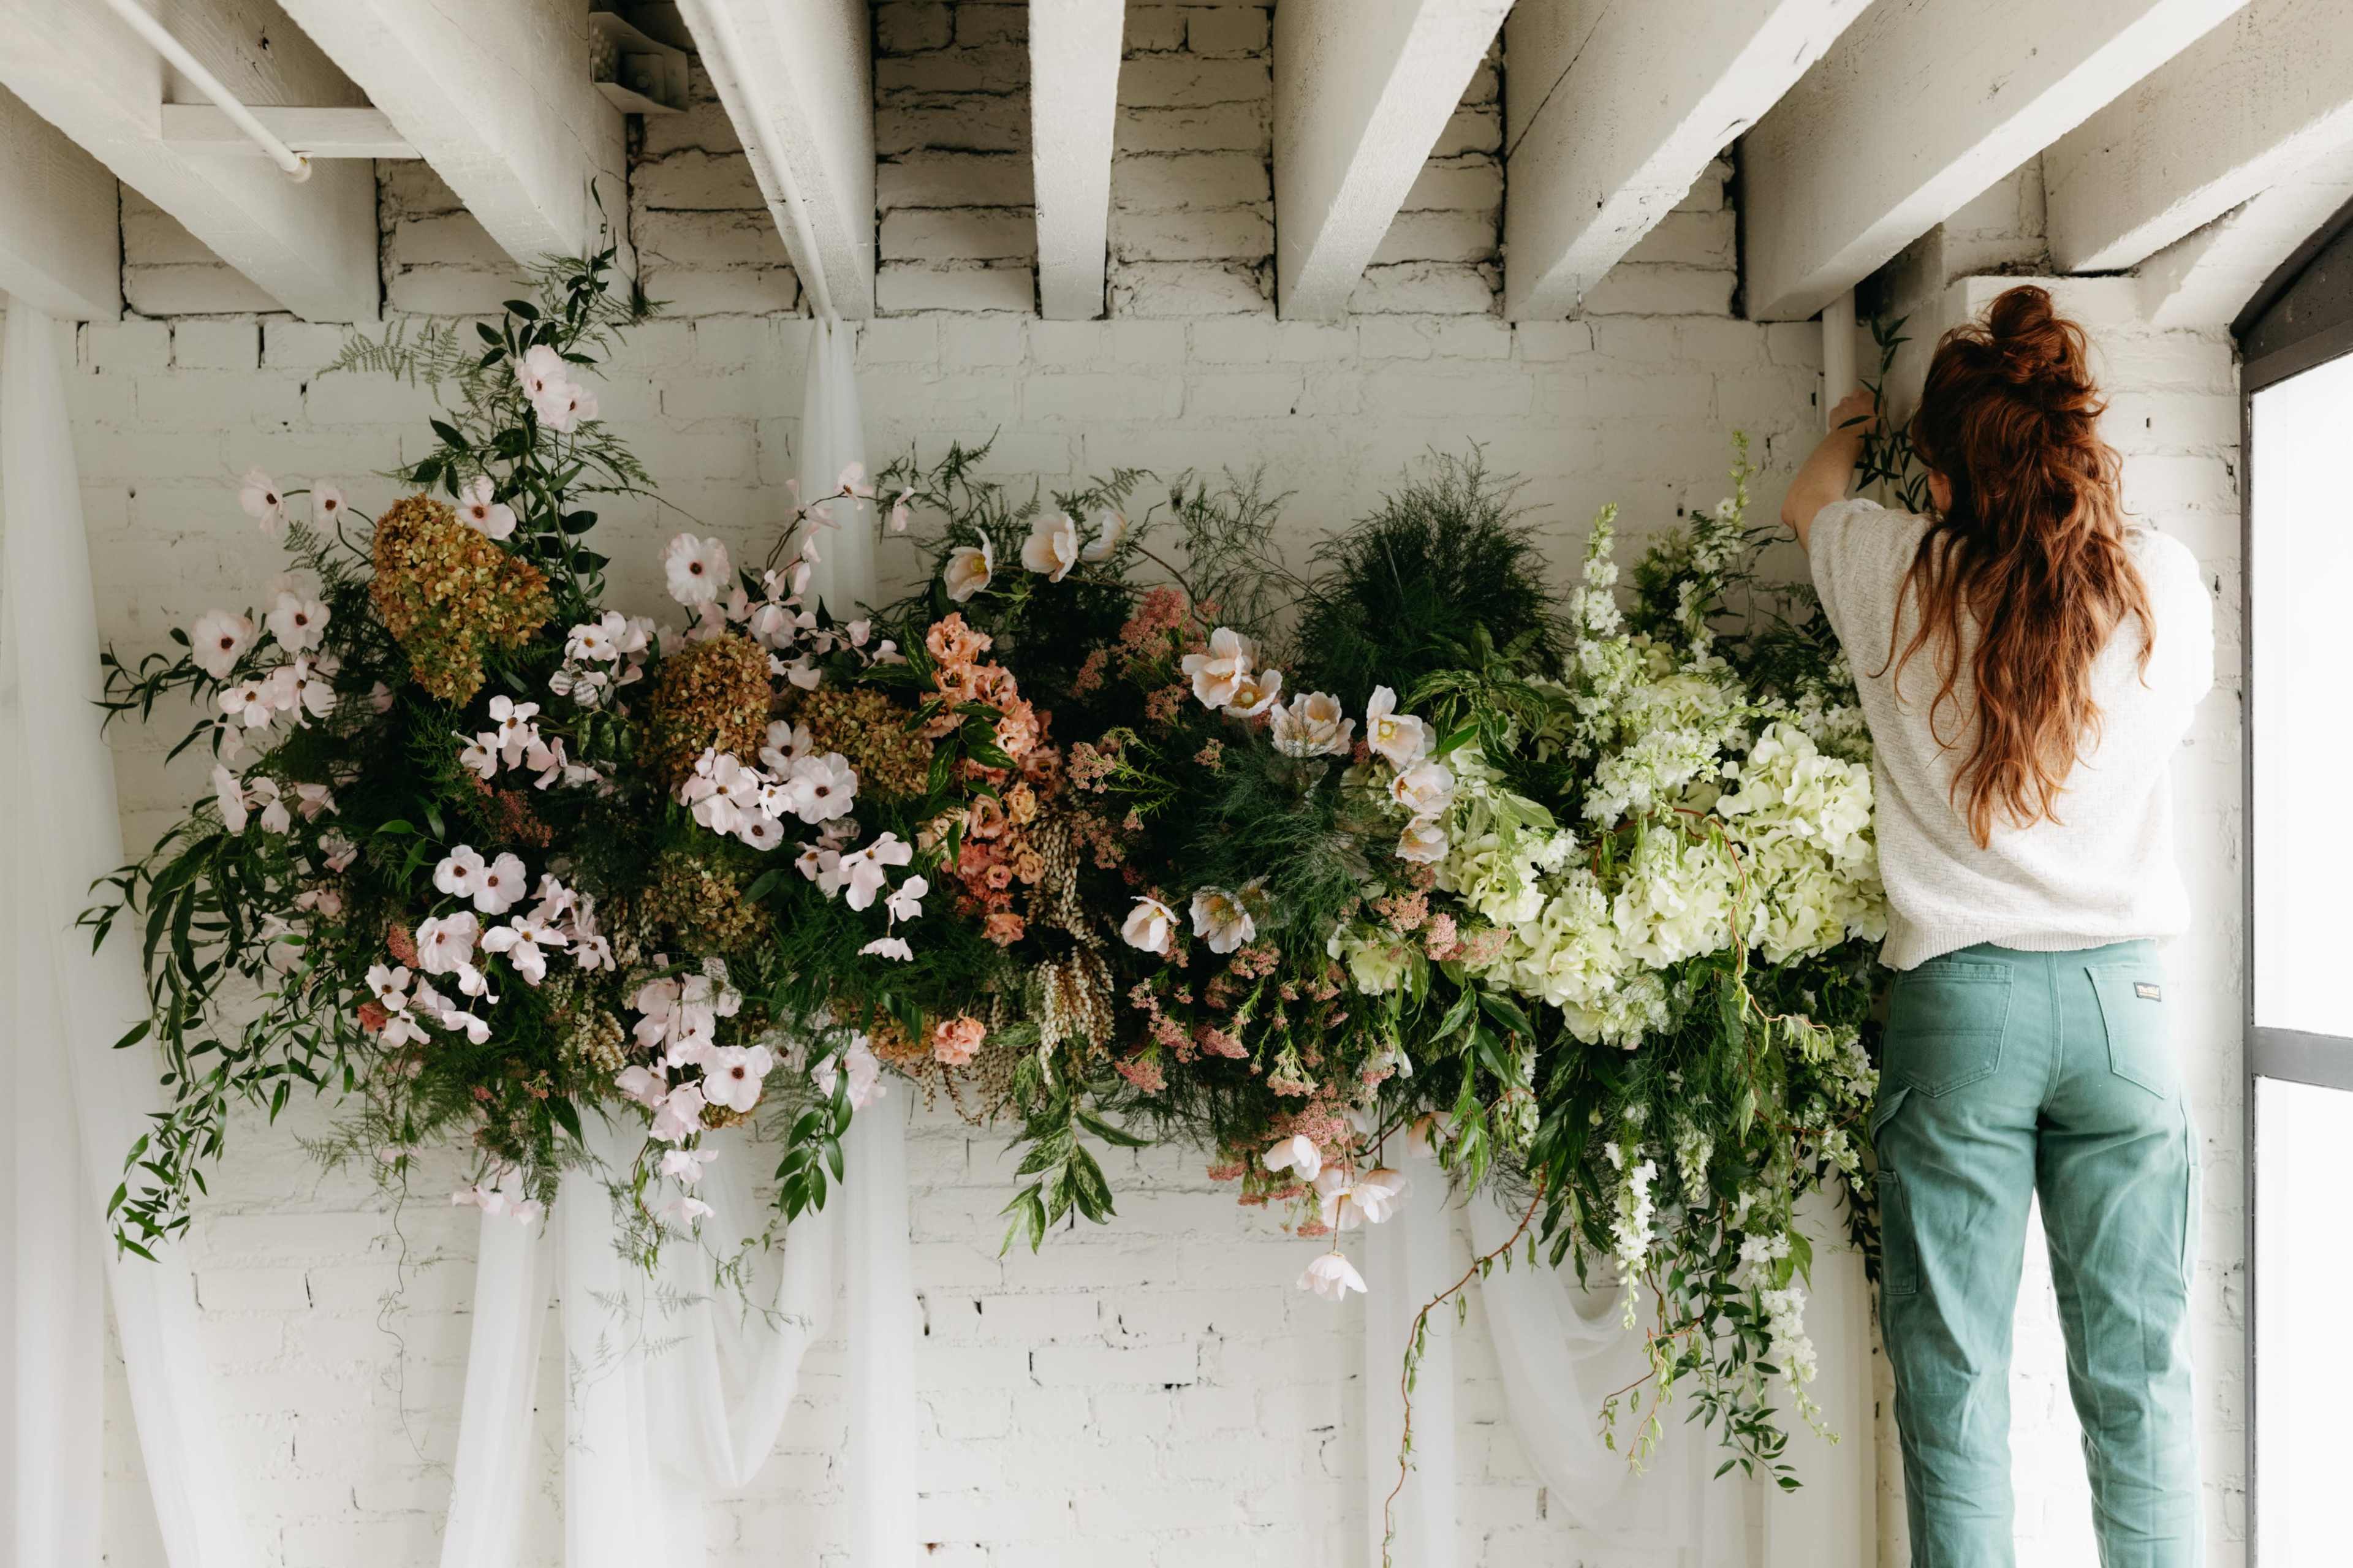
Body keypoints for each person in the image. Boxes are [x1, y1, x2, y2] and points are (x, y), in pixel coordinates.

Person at [1780, 284, 2215, 1567]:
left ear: (1945, 474)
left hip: (1963, 1009)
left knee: (1955, 1385)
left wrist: (1856, 423)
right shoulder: (2162, 587)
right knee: (2142, 1383)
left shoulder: (1892, 568)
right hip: (2123, 1013)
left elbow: (1806, 498)